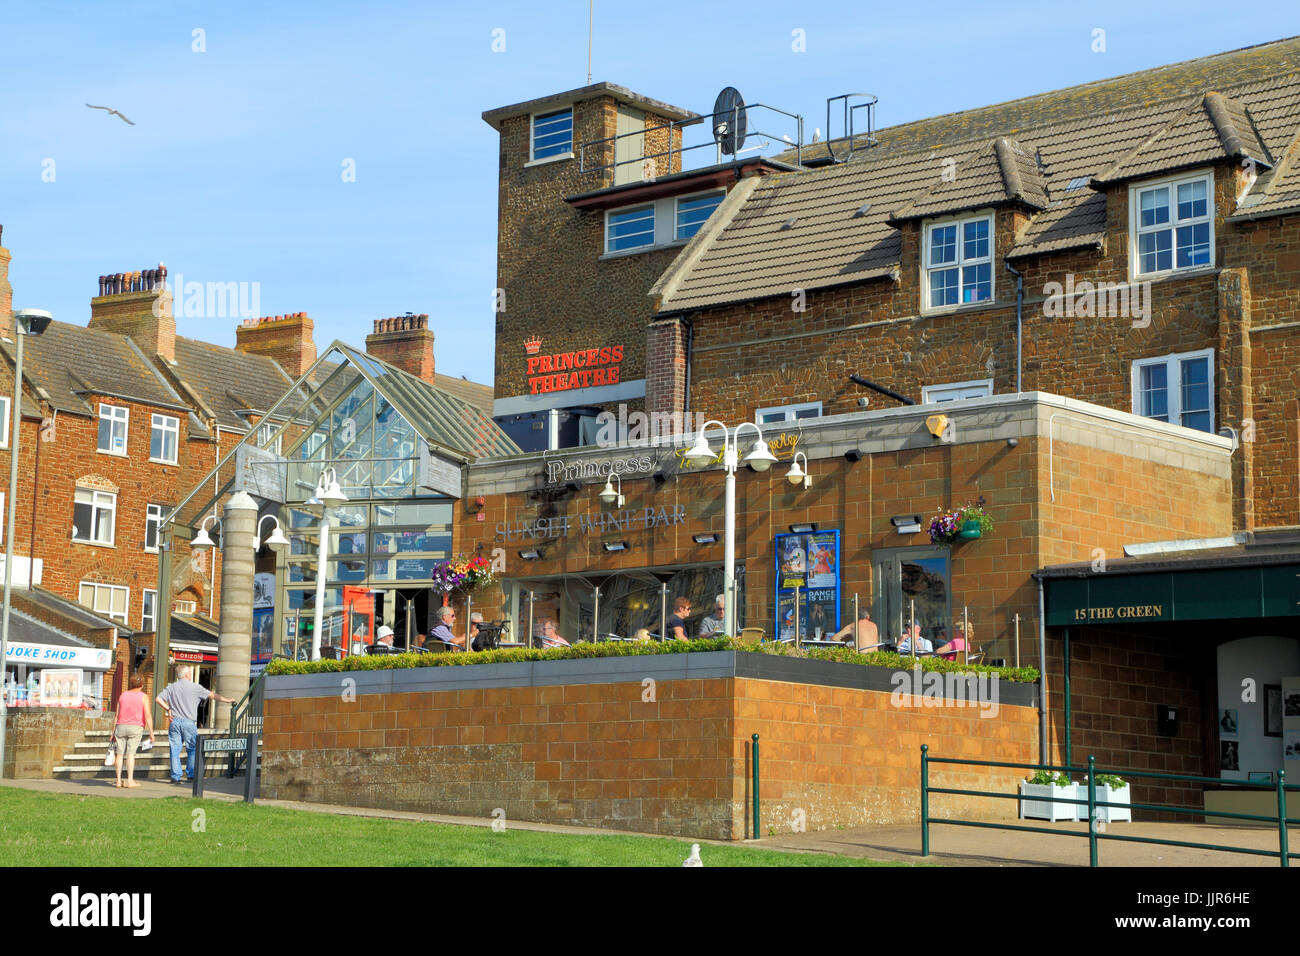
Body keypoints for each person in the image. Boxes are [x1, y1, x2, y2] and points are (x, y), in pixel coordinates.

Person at [156, 666, 234, 784]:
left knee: (175, 750)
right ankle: (191, 775)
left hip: (175, 722)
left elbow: (158, 699)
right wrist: (227, 700)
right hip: (189, 722)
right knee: (192, 750)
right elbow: (212, 695)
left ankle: (175, 777)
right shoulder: (195, 687)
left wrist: (168, 708)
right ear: (187, 675)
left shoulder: (171, 687)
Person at [113, 673, 153, 789]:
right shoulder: (143, 696)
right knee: (131, 754)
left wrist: (112, 732)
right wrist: (151, 732)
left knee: (119, 754)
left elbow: (116, 715)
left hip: (120, 726)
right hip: (135, 727)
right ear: (142, 684)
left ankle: (118, 781)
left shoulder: (123, 695)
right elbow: (148, 715)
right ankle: (130, 781)